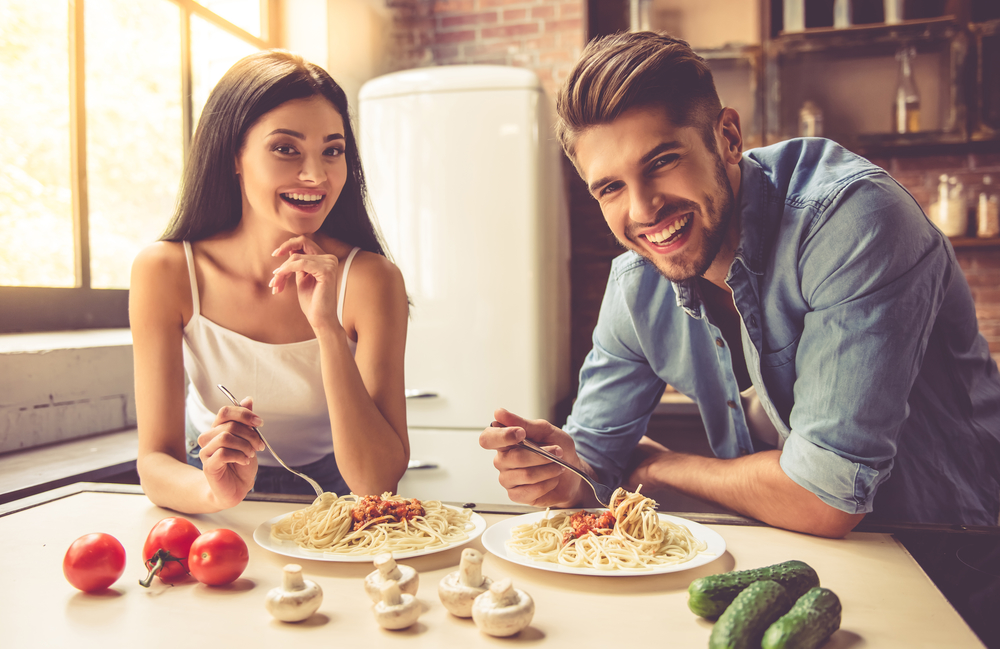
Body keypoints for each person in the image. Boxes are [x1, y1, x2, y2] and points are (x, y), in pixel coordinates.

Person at [480, 31, 1000, 537]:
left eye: (662, 161)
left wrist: (658, 467)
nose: (642, 210)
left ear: (728, 137)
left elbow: (824, 500)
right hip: (800, 552)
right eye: (611, 188)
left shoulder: (851, 221)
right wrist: (559, 472)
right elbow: (593, 464)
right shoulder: (636, 284)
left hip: (956, 544)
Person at [130, 50, 410, 514]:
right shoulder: (167, 272)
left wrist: (327, 330)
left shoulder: (371, 279)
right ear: (233, 155)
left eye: (332, 150)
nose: (316, 175)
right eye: (286, 149)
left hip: (338, 498)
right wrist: (213, 490)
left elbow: (376, 482)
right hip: (211, 484)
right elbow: (155, 461)